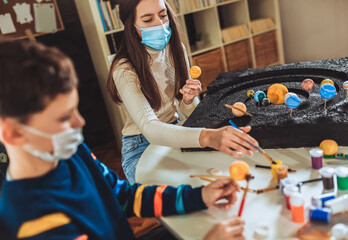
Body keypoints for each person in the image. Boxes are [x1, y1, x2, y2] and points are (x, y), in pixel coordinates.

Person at [0, 40, 246, 240]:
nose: (79, 123)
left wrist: (198, 196)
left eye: (75, 108)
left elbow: (123, 196)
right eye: (64, 118)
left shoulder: (75, 153)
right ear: (13, 133)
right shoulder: (32, 220)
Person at [108, 0, 259, 183]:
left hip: (177, 127)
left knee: (217, 175)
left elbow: (187, 111)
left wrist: (188, 100)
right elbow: (150, 128)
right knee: (178, 193)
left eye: (163, 15)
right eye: (148, 20)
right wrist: (208, 136)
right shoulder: (124, 70)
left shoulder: (177, 48)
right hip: (140, 146)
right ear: (131, 27)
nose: (160, 24)